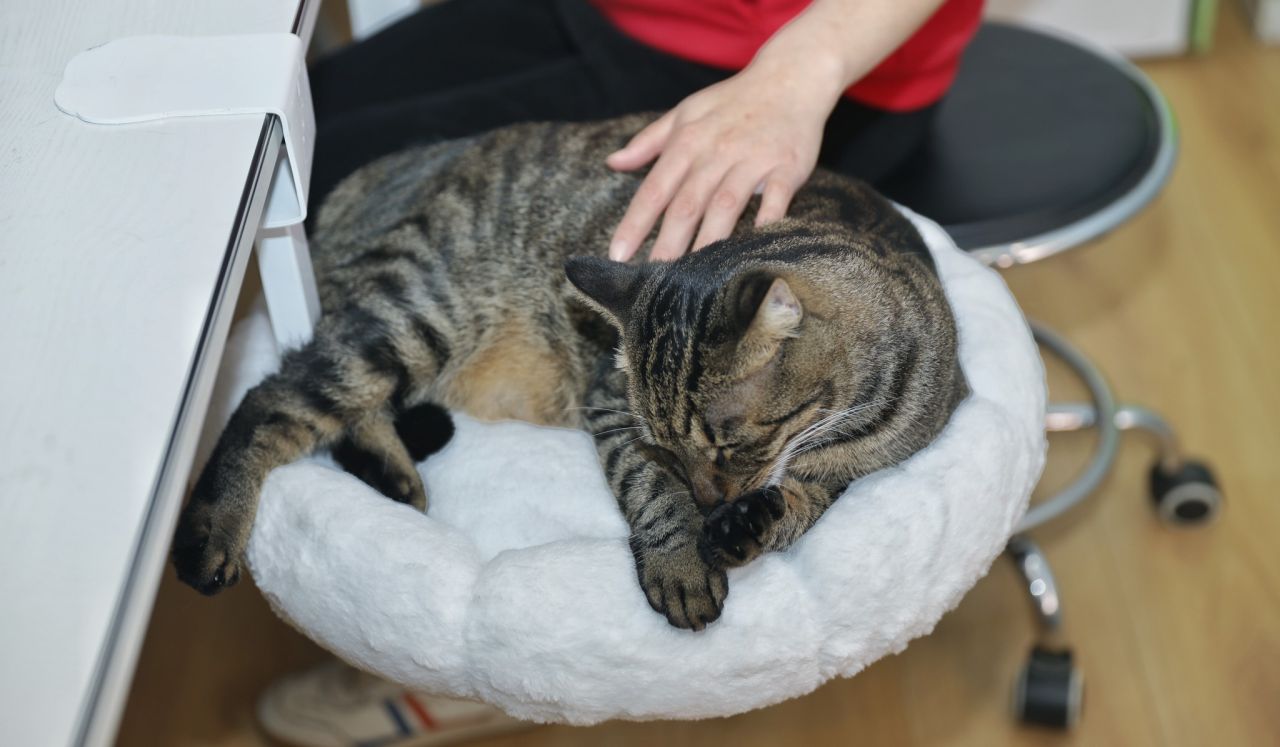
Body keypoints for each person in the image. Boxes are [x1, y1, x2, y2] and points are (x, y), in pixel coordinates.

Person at [262, 0, 983, 743]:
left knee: (301, 175)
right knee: (308, 111)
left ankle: (501, 668)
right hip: (628, 11)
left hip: (795, 55)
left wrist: (802, 69)